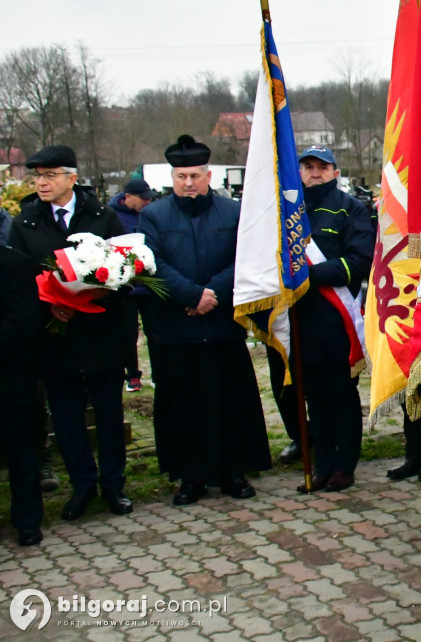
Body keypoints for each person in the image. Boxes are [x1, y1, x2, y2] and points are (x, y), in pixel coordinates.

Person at [139, 135, 271, 505]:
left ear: (208, 175)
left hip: (222, 324)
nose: (189, 183)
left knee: (231, 402)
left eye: (195, 175)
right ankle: (191, 477)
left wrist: (211, 293)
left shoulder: (232, 213)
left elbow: (245, 258)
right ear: (172, 178)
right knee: (185, 407)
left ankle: (235, 472)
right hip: (178, 328)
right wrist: (190, 295)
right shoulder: (153, 215)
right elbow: (152, 263)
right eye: (181, 177)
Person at [8, 145, 133, 521]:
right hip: (55, 335)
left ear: (71, 178)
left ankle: (114, 486)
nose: (41, 182)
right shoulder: (25, 222)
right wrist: (50, 304)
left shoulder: (102, 215)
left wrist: (96, 293)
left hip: (101, 333)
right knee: (66, 419)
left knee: (109, 415)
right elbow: (18, 277)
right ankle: (82, 486)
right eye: (37, 176)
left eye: (50, 175)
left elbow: (123, 270)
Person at [267, 144, 374, 493]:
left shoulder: (351, 209)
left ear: (334, 172)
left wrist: (308, 276)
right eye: (308, 166)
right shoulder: (288, 212)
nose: (315, 172)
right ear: (299, 172)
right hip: (300, 319)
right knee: (315, 397)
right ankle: (323, 463)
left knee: (342, 396)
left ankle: (345, 465)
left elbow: (358, 261)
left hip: (336, 320)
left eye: (322, 167)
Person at [0, 245, 45, 545]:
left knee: (22, 452)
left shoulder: (14, 263)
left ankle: (27, 520)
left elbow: (24, 321)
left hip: (11, 378)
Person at [109, 178, 160, 392]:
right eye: (143, 199)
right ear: (128, 197)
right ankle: (132, 374)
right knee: (128, 333)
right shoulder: (112, 216)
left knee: (156, 330)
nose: (147, 203)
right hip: (126, 286)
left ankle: (159, 372)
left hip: (149, 284)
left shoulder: (150, 214)